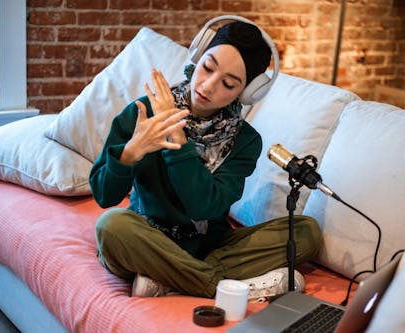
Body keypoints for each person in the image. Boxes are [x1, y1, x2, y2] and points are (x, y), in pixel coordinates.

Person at [90, 18, 322, 301]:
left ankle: (172, 279)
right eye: (208, 67)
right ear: (198, 56)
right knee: (111, 227)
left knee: (306, 232)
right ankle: (228, 288)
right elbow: (103, 195)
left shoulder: (245, 141)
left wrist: (177, 139)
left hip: (208, 246)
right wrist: (131, 153)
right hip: (146, 240)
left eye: (228, 83)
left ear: (247, 92)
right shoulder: (143, 113)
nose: (209, 86)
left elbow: (203, 206)